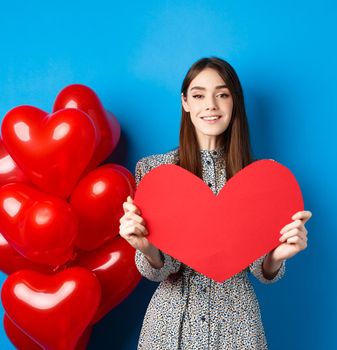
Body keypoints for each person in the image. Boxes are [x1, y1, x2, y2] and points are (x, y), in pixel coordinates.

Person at [118, 57, 312, 349]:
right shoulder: (154, 172)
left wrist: (278, 255)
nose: (210, 104)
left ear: (234, 102)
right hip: (171, 326)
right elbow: (161, 269)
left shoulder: (261, 178)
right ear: (185, 102)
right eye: (198, 95)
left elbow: (262, 268)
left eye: (222, 94)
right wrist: (145, 247)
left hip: (237, 326)